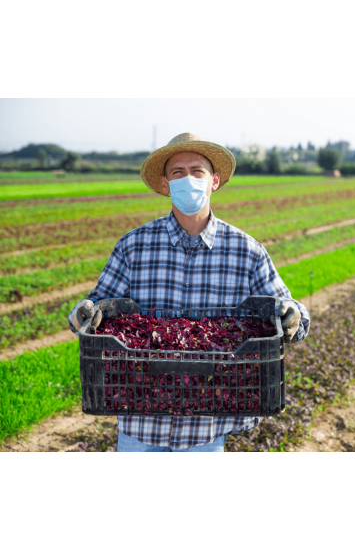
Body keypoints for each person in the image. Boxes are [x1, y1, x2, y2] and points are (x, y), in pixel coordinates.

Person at [69, 132, 310, 452]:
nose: (188, 179)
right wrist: (84, 312)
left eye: (198, 171)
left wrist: (292, 316)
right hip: (141, 422)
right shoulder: (134, 246)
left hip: (206, 427)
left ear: (214, 181)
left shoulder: (246, 251)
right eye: (177, 173)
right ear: (166, 184)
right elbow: (97, 306)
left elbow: (290, 310)